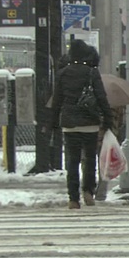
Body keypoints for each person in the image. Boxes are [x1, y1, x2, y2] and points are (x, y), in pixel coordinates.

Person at [50, 39, 113, 209]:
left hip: (69, 123)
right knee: (90, 159)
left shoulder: (62, 73)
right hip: (90, 122)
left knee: (72, 160)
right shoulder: (92, 73)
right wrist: (108, 118)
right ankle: (88, 191)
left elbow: (57, 100)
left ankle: (73, 198)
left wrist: (53, 122)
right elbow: (101, 97)